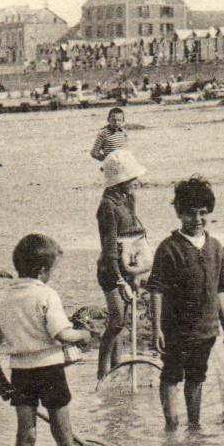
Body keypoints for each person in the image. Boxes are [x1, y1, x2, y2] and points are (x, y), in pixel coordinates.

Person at [0, 234, 92, 446]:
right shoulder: (46, 295)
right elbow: (62, 333)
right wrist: (83, 336)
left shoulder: (2, 298)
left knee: (26, 434)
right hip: (50, 371)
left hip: (20, 373)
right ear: (43, 271)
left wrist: (0, 380)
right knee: (63, 433)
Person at [147, 177, 224, 429]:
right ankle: (171, 424)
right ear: (179, 214)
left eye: (203, 213)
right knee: (172, 375)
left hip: (206, 330)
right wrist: (156, 330)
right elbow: (156, 290)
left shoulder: (216, 248)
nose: (197, 219)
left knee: (197, 377)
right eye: (191, 214)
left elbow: (219, 289)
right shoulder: (169, 248)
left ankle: (194, 425)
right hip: (176, 330)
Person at [95, 148, 149, 380]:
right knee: (117, 321)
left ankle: (116, 365)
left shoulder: (126, 200)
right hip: (111, 268)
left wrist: (134, 273)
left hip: (127, 265)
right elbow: (109, 249)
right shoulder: (107, 207)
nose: (136, 181)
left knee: (123, 320)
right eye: (132, 178)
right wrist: (120, 280)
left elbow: (133, 234)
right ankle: (102, 371)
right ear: (120, 180)